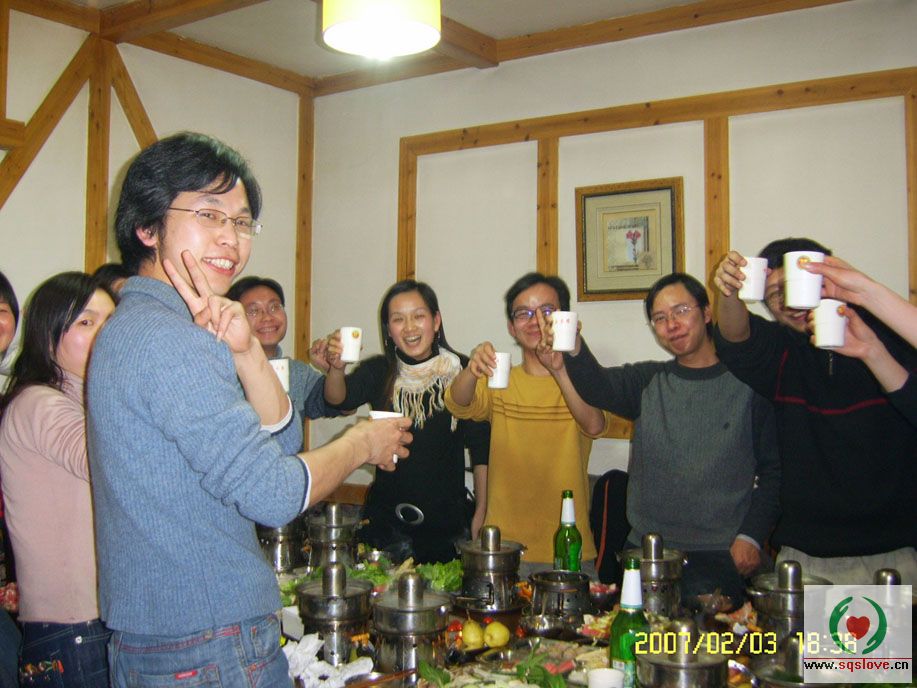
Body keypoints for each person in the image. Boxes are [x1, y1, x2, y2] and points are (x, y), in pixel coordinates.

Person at [86, 132, 412, 685]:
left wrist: (248, 355)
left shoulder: (143, 327)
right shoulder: (169, 340)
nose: (230, 238)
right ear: (147, 227)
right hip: (206, 641)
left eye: (241, 222)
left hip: (177, 638)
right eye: (209, 214)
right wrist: (360, 442)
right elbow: (273, 495)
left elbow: (277, 446)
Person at [560, 273, 780, 604]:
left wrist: (751, 536)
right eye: (660, 318)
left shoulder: (749, 386)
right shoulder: (648, 381)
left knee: (717, 638)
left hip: (721, 554)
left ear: (707, 313)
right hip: (647, 553)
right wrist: (572, 343)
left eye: (681, 311)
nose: (671, 325)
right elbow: (597, 386)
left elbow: (775, 470)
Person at [714, 238, 916, 584]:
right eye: (774, 294)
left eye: (797, 285)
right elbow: (735, 338)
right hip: (807, 555)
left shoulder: (890, 338)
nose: (788, 301)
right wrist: (729, 289)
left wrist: (871, 333)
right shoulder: (781, 350)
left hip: (894, 551)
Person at [445, 272, 614, 566]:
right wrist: (472, 369)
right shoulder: (501, 380)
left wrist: (560, 370)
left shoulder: (586, 378)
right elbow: (457, 404)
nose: (535, 320)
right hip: (501, 546)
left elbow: (594, 426)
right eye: (523, 313)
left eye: (547, 311)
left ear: (565, 319)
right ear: (512, 328)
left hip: (567, 546)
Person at [0, 272, 116, 687]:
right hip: (74, 631)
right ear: (49, 335)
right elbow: (110, 464)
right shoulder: (40, 403)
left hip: (79, 628)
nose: (105, 333)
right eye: (86, 322)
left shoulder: (78, 400)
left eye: (111, 321)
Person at [322, 280, 490, 563]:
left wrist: (483, 509)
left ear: (436, 321)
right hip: (385, 523)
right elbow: (338, 399)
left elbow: (481, 445)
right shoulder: (380, 370)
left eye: (419, 316)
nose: (409, 327)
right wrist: (336, 369)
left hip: (446, 525)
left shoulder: (461, 370)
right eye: (398, 319)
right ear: (389, 330)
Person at [226, 276, 339, 425]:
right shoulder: (222, 374)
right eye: (253, 311)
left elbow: (343, 406)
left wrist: (335, 369)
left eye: (274, 307)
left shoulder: (297, 372)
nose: (267, 317)